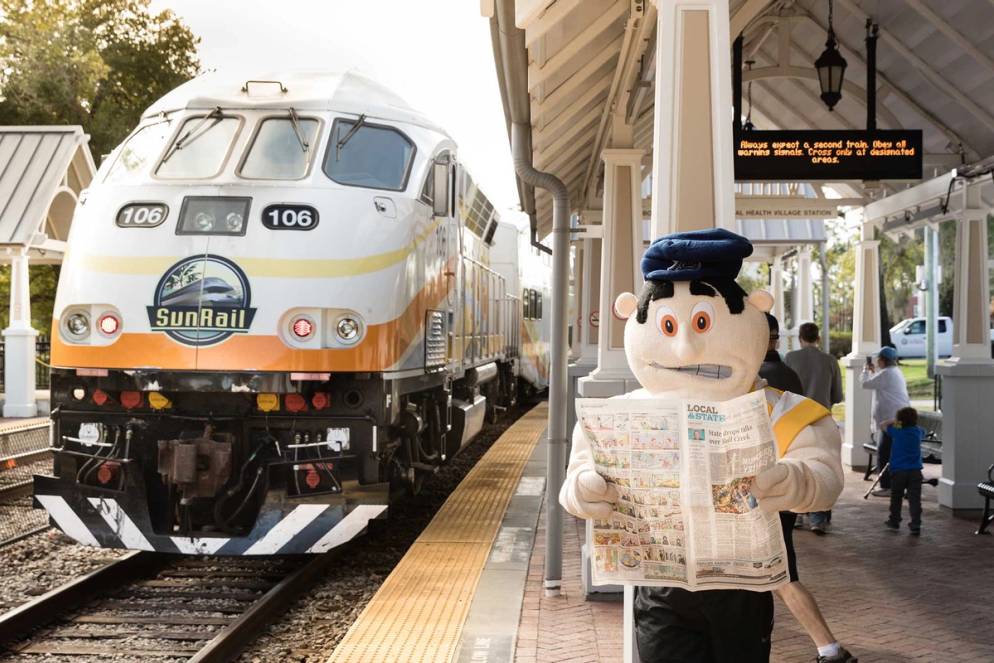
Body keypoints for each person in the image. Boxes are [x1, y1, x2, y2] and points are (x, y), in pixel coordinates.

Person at [560, 228, 845, 663]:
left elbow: (823, 471)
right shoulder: (621, 416)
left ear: (753, 315)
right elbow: (575, 481)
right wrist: (585, 489)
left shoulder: (783, 412)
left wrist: (798, 482)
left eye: (701, 324)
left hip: (745, 584)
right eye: (669, 327)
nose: (684, 346)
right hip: (661, 585)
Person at [759, 315, 857, 663]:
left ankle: (829, 647)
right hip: (800, 465)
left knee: (780, 576)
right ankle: (828, 647)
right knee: (780, 575)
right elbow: (833, 398)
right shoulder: (797, 370)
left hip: (769, 483)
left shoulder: (765, 376)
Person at [785, 322, 844, 534]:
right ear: (817, 338)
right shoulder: (829, 361)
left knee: (798, 463)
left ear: (800, 338)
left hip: (796, 421)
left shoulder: (791, 358)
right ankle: (818, 518)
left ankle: (798, 514)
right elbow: (837, 396)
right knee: (821, 465)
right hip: (821, 420)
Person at [860, 346, 910, 495]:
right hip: (894, 419)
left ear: (883, 360)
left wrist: (865, 370)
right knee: (887, 451)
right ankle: (891, 484)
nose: (877, 361)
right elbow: (878, 383)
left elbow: (865, 383)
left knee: (885, 452)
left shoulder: (887, 374)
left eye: (878, 359)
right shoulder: (892, 373)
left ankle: (887, 486)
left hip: (892, 421)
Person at [879, 407, 924, 535]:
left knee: (896, 497)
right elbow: (920, 429)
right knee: (915, 499)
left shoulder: (896, 431)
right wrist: (908, 422)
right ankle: (916, 524)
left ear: (900, 420)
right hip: (915, 471)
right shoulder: (918, 431)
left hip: (898, 470)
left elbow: (882, 425)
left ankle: (895, 521)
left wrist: (896, 421)